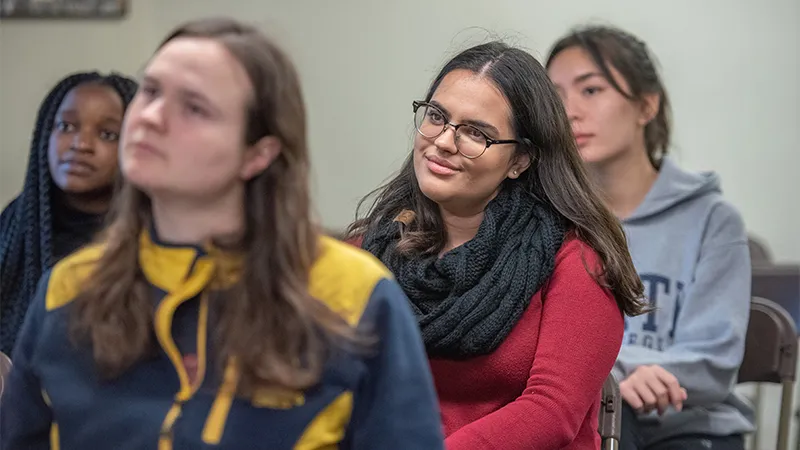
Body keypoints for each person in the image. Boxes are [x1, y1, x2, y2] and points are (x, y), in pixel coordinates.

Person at [0, 17, 444, 450]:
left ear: (258, 154)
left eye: (194, 107)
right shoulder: (71, 286)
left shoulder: (354, 295)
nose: (151, 117)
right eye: (151, 91)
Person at [347, 41, 648, 449]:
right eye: (437, 116)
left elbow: (551, 412)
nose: (444, 141)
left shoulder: (576, 261)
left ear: (520, 160)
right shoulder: (372, 248)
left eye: (476, 133)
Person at [547, 25, 754, 450]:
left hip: (688, 429)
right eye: (556, 96)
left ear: (646, 106)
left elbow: (713, 363)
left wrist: (619, 374)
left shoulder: (713, 220)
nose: (569, 111)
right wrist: (618, 378)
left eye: (591, 91)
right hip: (584, 421)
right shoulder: (548, 219)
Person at [0, 71, 138, 355]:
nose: (80, 145)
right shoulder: (18, 222)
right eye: (66, 126)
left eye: (107, 134)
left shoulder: (150, 235)